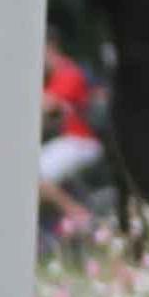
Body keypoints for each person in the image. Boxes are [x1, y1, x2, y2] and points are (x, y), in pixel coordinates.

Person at [39, 45, 108, 238]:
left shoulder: (68, 73)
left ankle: (81, 218)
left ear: (51, 49)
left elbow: (45, 105)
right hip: (68, 142)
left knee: (32, 176)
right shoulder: (52, 78)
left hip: (81, 141)